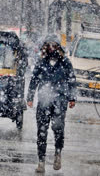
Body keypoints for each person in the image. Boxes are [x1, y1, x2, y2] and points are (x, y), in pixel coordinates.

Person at [26, 36, 76, 173]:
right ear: (45, 47)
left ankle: (58, 153)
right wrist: (30, 97)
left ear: (58, 47)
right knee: (41, 132)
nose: (51, 48)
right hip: (44, 101)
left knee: (58, 129)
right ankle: (41, 161)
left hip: (60, 101)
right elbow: (34, 80)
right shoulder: (42, 62)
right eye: (49, 46)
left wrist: (72, 98)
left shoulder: (65, 62)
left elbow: (72, 80)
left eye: (54, 46)